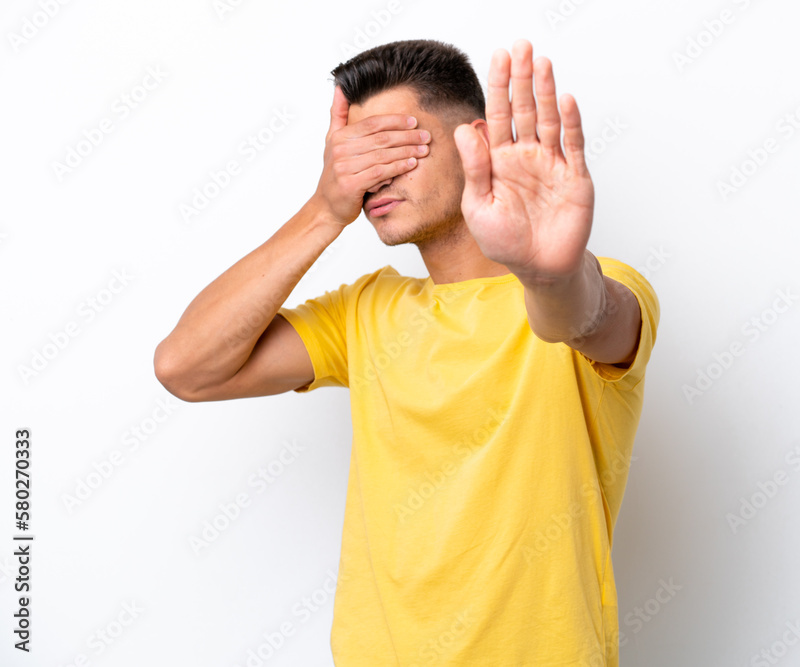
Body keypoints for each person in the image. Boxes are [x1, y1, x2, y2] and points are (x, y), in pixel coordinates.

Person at [154, 37, 659, 666]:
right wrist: (321, 210)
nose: (375, 175)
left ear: (478, 141)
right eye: (358, 158)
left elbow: (583, 319)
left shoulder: (593, 286)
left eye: (398, 146)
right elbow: (186, 369)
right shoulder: (365, 311)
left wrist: (549, 274)